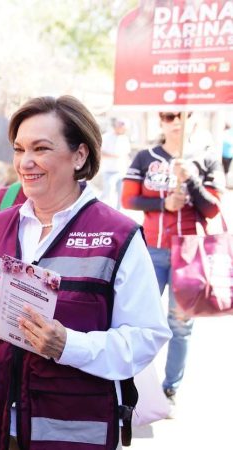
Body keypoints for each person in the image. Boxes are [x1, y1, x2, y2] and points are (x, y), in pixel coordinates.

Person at [0, 96, 171, 450]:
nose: (25, 162)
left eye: (41, 148)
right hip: (0, 428)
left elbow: (146, 336)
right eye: (19, 148)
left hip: (75, 433)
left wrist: (69, 346)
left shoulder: (117, 235)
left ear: (80, 156)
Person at [122, 111, 225, 407]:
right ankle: (135, 387)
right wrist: (163, 204)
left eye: (183, 115)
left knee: (180, 324)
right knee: (140, 321)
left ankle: (170, 389)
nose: (176, 121)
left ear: (194, 118)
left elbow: (213, 209)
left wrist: (191, 179)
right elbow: (129, 199)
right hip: (151, 250)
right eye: (169, 116)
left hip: (189, 253)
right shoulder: (145, 156)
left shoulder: (206, 158)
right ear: (161, 121)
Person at [100, 117, 131, 209]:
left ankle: (118, 215)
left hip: (121, 171)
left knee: (121, 195)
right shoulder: (106, 137)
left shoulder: (124, 138)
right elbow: (100, 153)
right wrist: (114, 156)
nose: (123, 129)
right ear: (117, 126)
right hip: (109, 171)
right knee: (108, 194)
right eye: (121, 126)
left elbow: (126, 155)